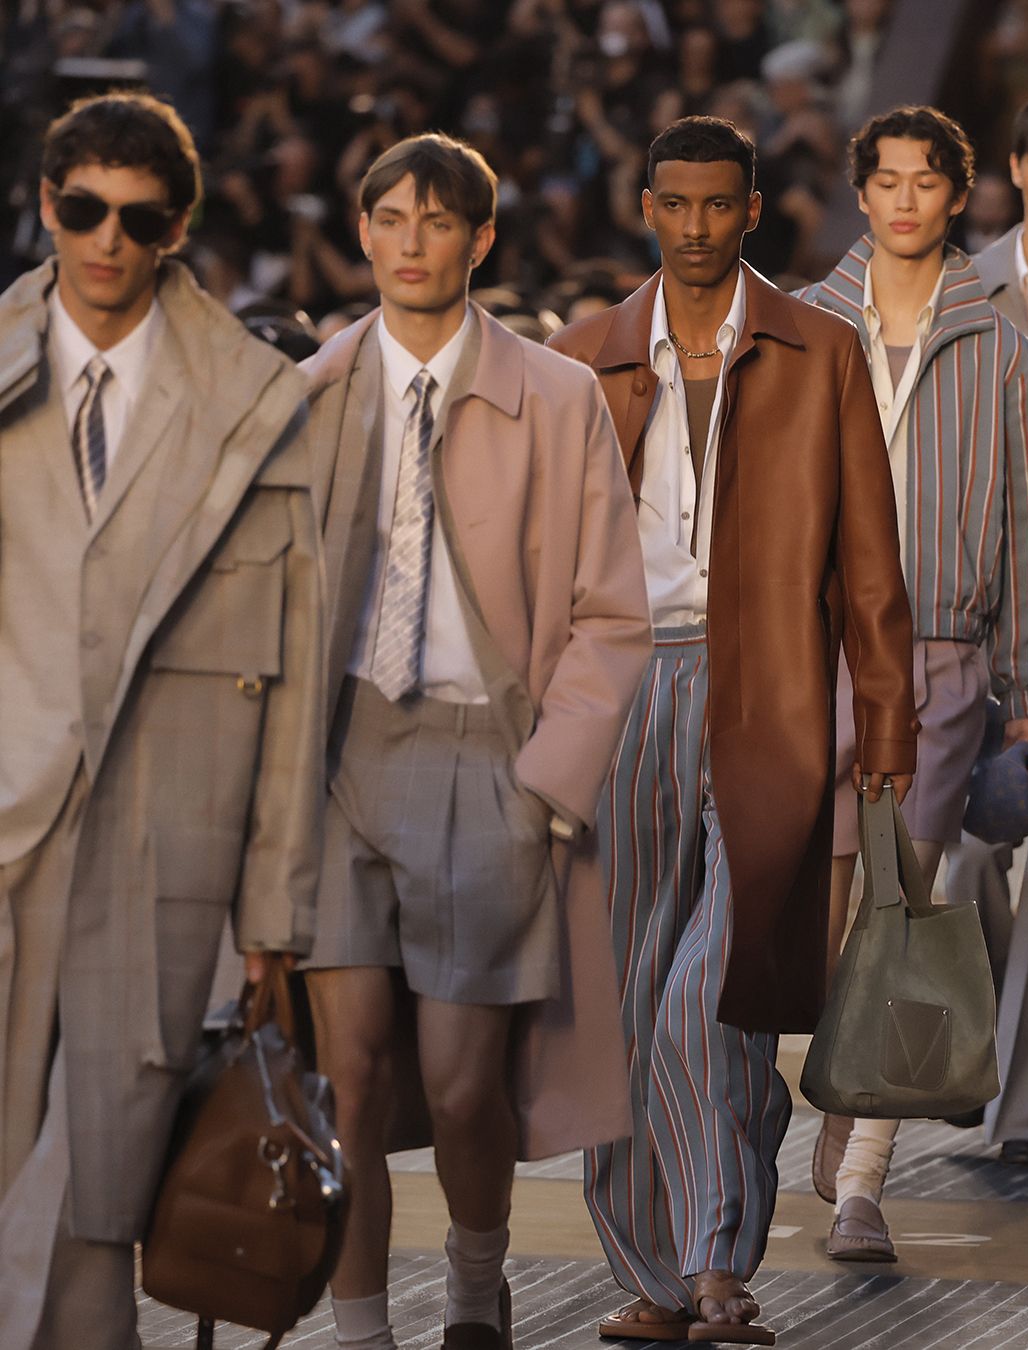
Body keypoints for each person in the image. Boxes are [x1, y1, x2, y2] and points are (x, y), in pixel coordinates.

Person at [548, 114, 917, 1343]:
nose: (697, 226)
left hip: (769, 691)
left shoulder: (819, 350)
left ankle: (714, 1266)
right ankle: (652, 1278)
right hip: (618, 693)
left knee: (713, 984)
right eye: (676, 204)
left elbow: (871, 561)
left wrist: (886, 732)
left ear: (752, 211)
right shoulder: (584, 358)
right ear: (645, 207)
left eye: (720, 205)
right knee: (628, 991)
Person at [300, 132, 652, 1350]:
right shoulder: (307, 397)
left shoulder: (554, 395)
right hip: (335, 763)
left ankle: (471, 1285)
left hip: (488, 761)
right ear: (361, 231)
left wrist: (547, 789)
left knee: (460, 1090)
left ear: (481, 240)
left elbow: (615, 611)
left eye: (436, 221)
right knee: (347, 1085)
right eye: (388, 217)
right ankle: (361, 1333)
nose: (409, 241)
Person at [0, 92, 324, 1349]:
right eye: (82, 211)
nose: (106, 242)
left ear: (176, 227)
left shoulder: (251, 402)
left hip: (165, 838)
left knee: (106, 1167)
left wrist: (274, 908)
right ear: (45, 206)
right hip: (8, 816)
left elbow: (290, 671)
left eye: (136, 220)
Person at [801, 104, 1028, 1259]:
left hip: (944, 660)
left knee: (900, 910)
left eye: (926, 182)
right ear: (861, 194)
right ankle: (821, 1088)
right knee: (810, 901)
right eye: (887, 181)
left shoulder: (998, 347)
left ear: (959, 196)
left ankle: (861, 1172)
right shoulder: (803, 327)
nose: (905, 199)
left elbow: (1026, 531)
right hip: (812, 652)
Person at [946, 87, 1028, 1168]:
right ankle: (971, 1048)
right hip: (978, 601)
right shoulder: (962, 288)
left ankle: (1022, 1109)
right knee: (970, 846)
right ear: (1015, 168)